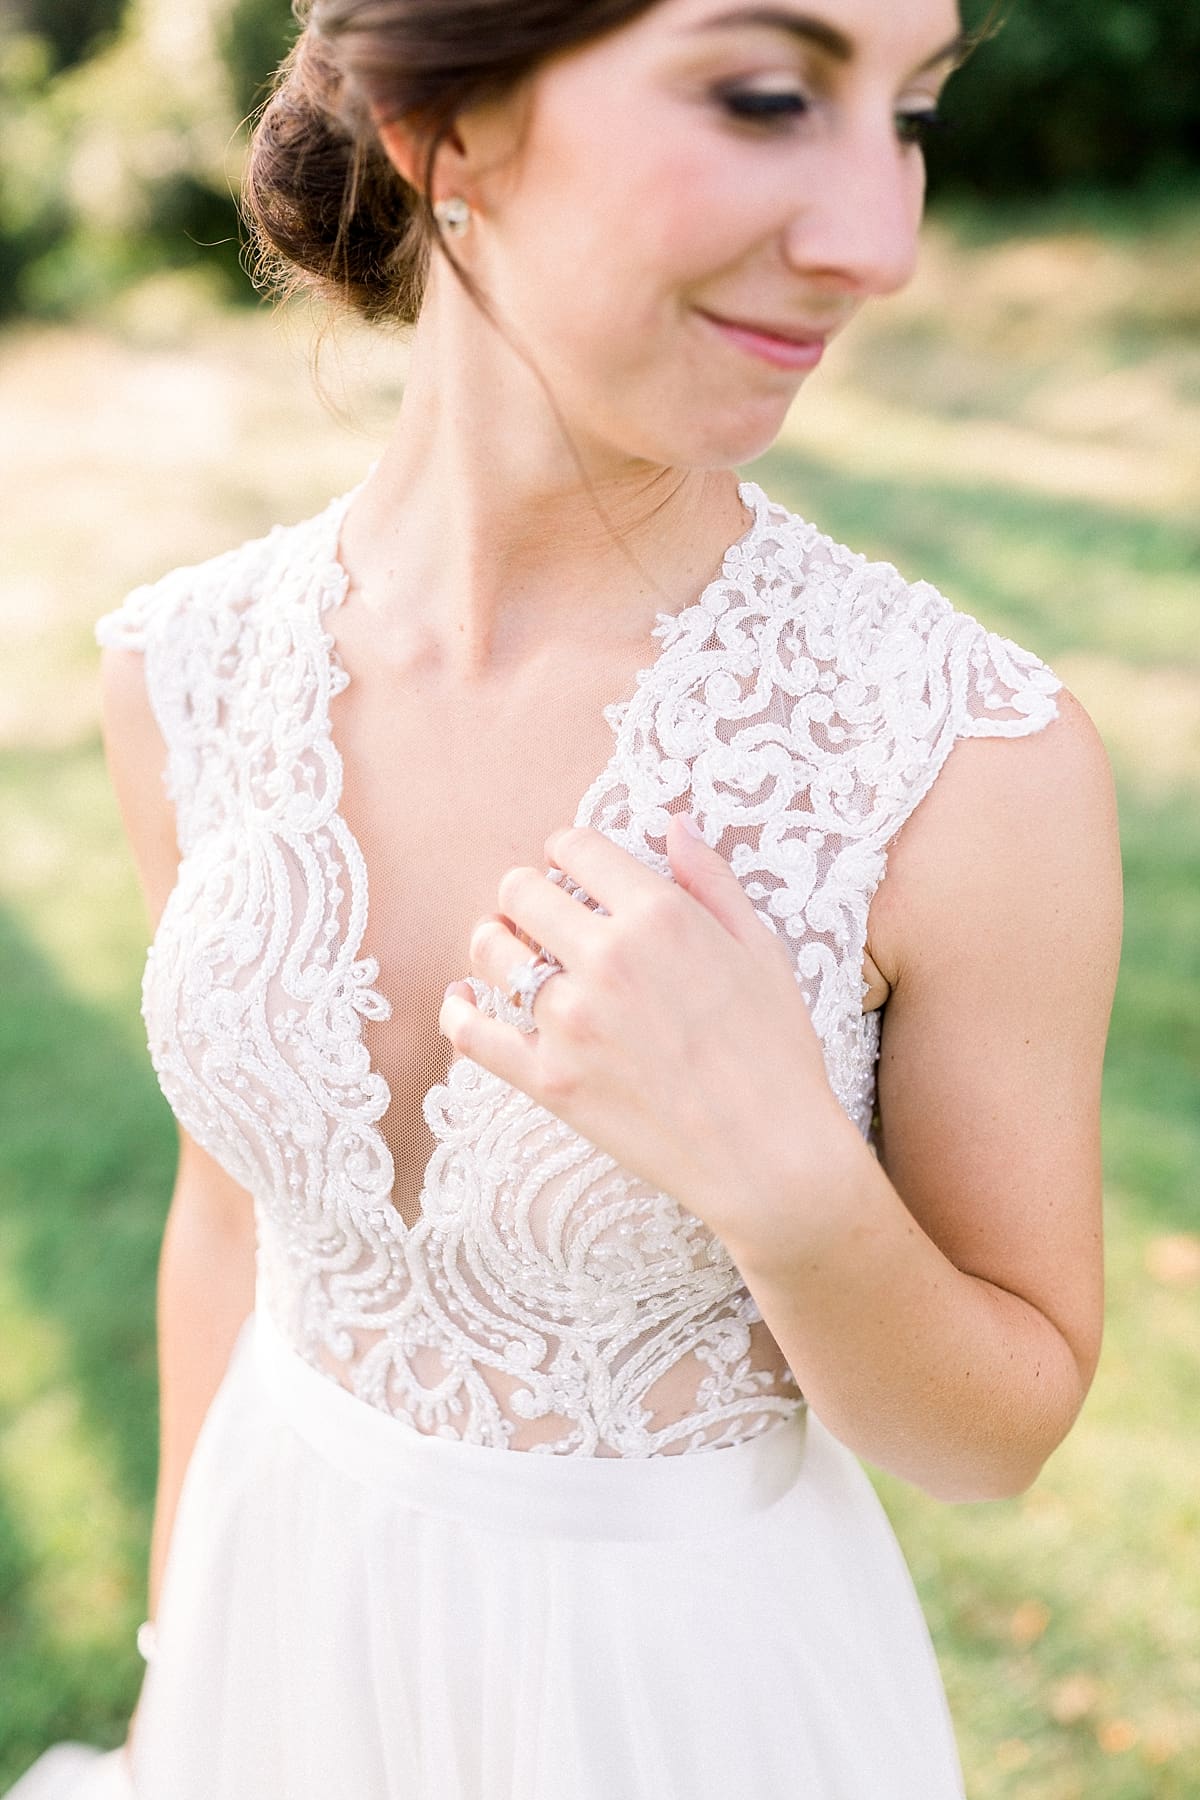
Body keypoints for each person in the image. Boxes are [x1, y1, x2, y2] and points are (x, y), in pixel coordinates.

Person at [7, 0, 1123, 1795]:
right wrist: (177, 1679)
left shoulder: (965, 767)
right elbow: (233, 1230)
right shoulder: (189, 673)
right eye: (766, 95)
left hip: (674, 1716)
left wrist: (791, 1183)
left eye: (909, 116)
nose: (880, 241)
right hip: (272, 1643)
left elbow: (998, 1437)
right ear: (445, 129)